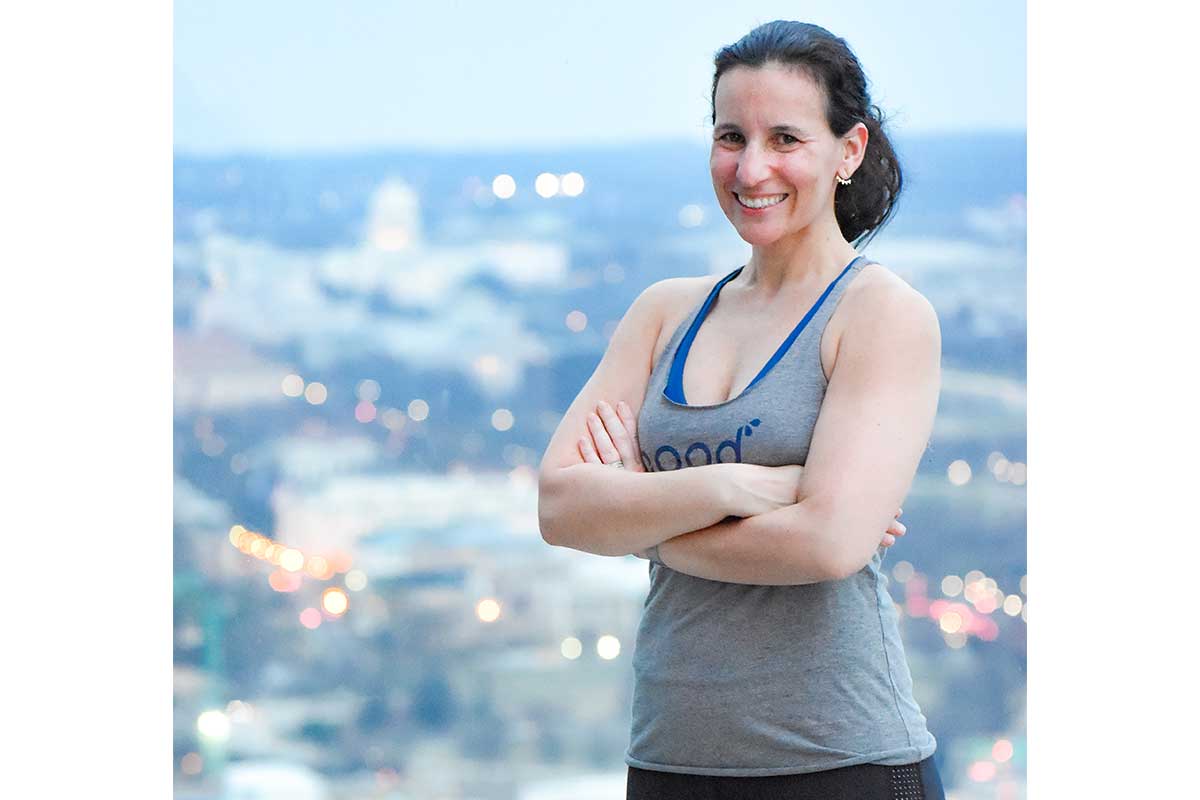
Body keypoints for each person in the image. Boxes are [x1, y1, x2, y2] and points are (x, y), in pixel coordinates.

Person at [537, 20, 945, 800]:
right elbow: (560, 508)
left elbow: (827, 544)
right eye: (731, 136)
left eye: (785, 137)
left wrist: (640, 523)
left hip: (840, 760)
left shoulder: (879, 315)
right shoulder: (664, 315)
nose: (751, 167)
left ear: (847, 152)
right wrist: (735, 490)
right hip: (669, 761)